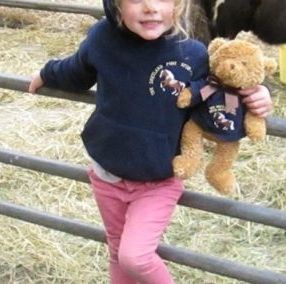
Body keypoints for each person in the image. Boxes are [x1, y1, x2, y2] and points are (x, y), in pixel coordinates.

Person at [28, 0, 272, 283]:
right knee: (118, 251)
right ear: (115, 4)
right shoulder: (102, 38)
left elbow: (226, 84)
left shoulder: (192, 53)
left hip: (159, 178)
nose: (150, 7)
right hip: (107, 171)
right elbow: (75, 71)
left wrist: (260, 94)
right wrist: (46, 73)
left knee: (135, 256)